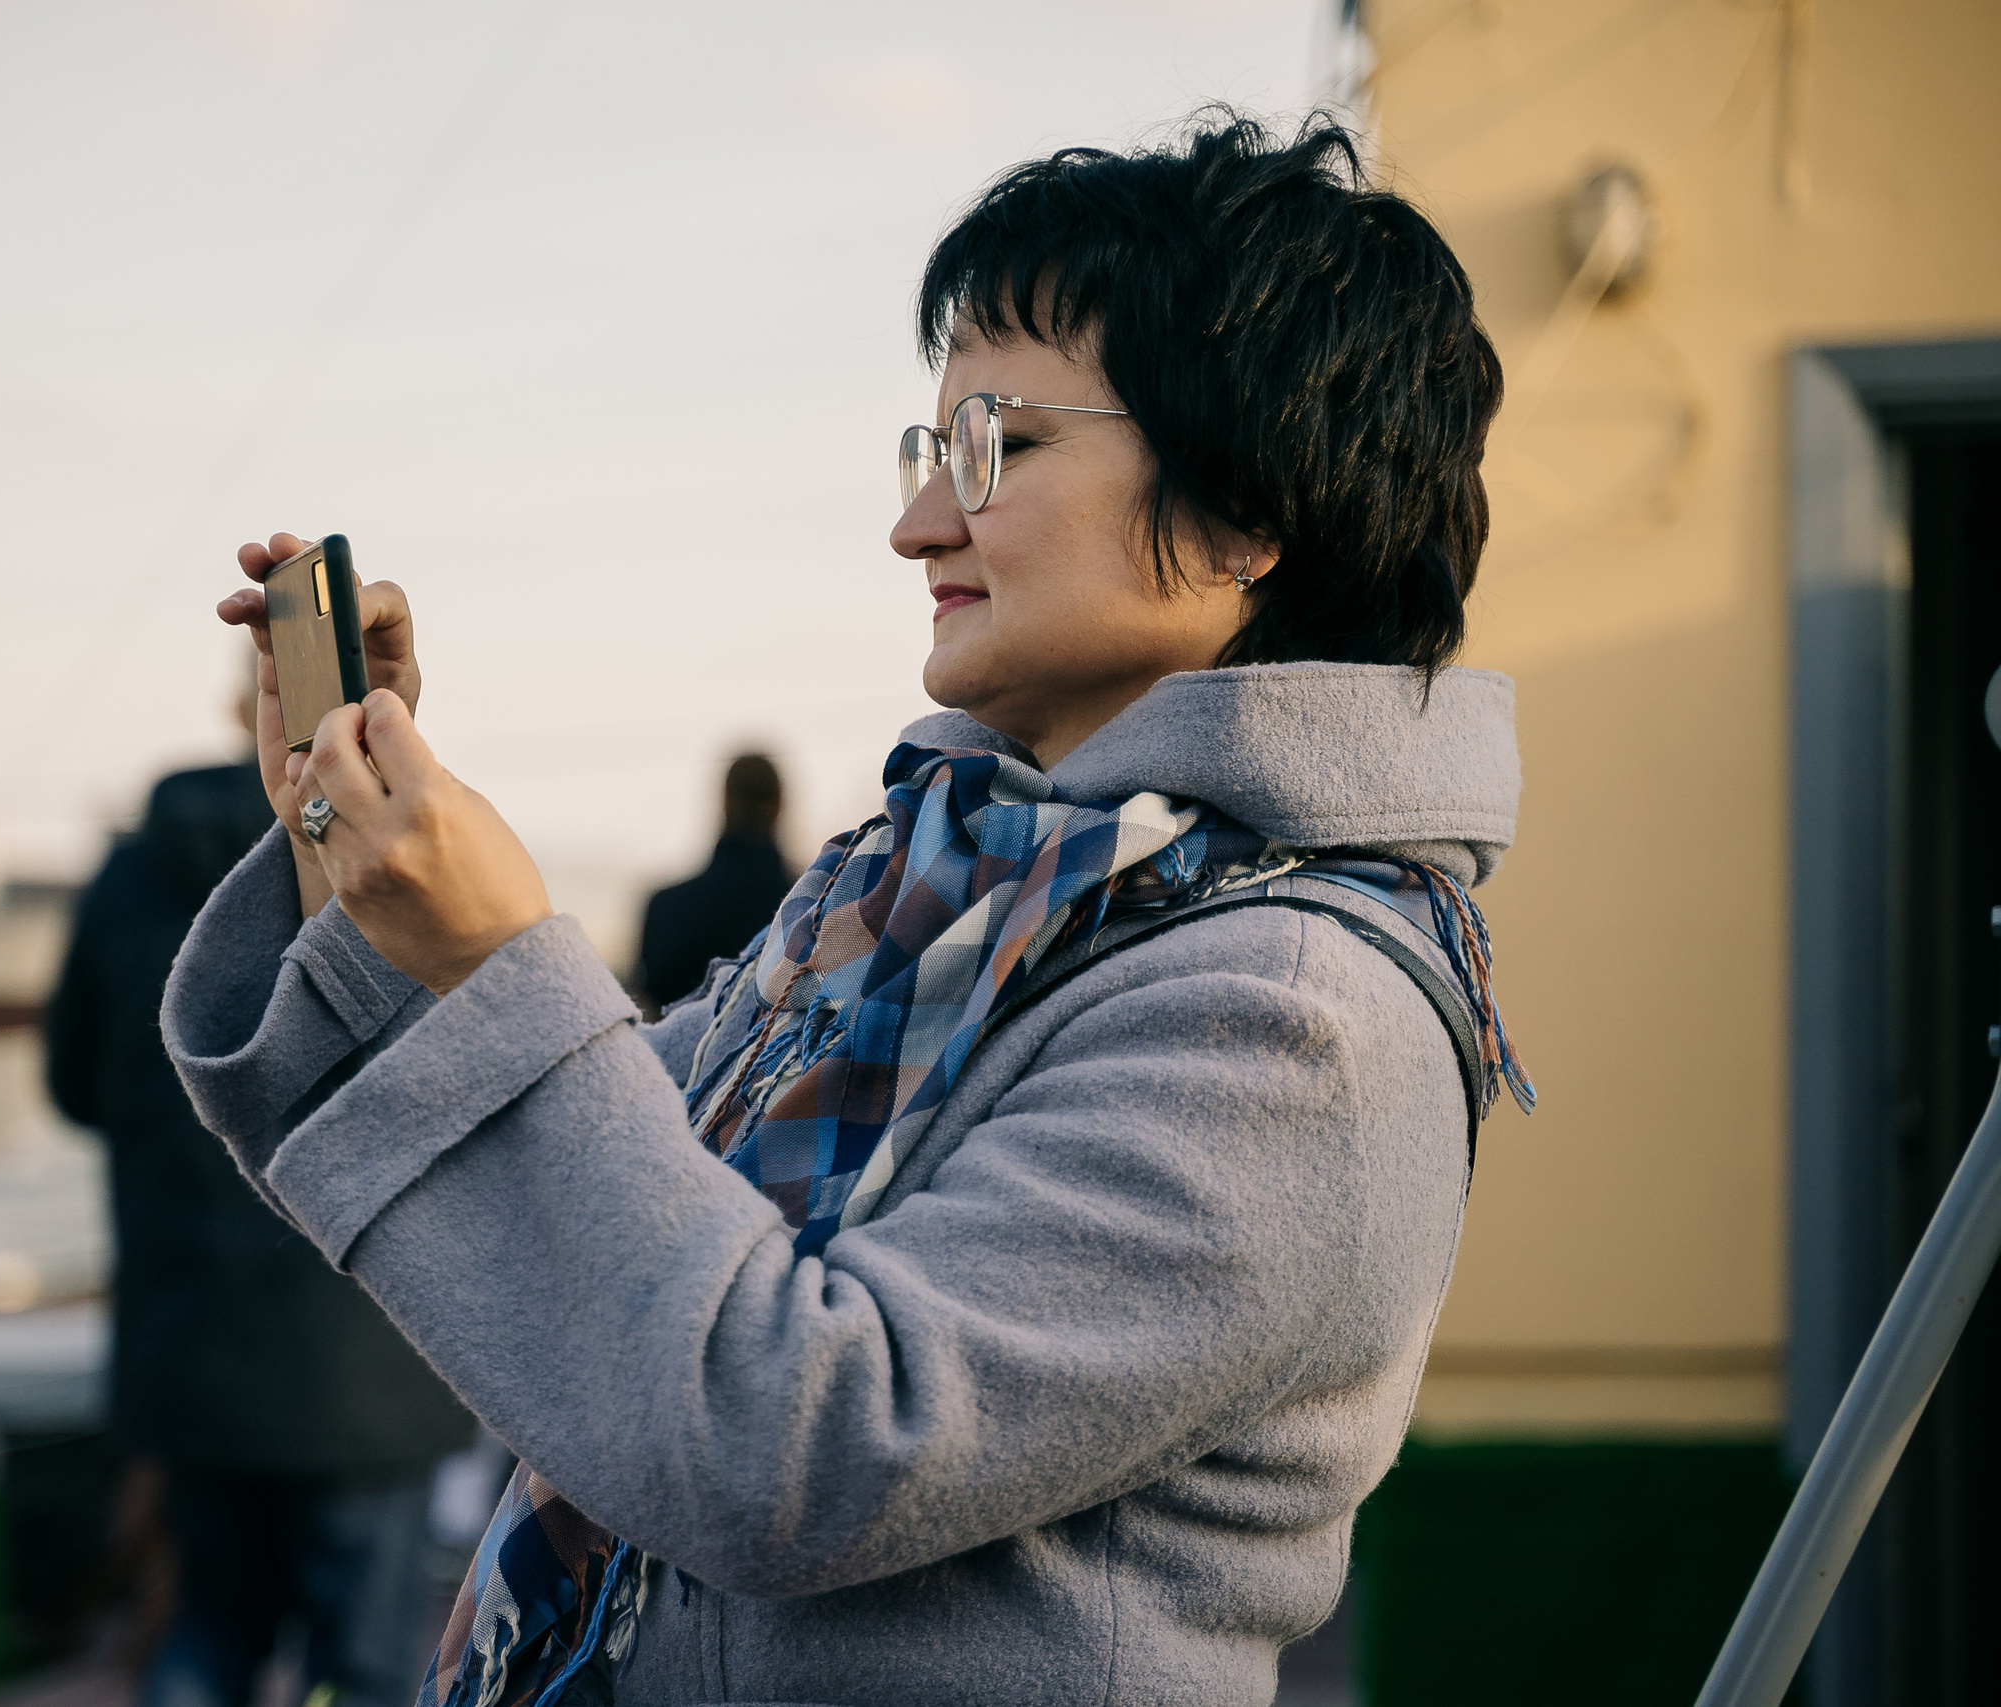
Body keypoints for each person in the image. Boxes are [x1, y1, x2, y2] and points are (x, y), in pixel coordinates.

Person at [166, 113, 1530, 1707]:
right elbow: (613, 1222)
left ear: (1245, 514)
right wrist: (361, 856)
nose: (916, 524)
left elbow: (796, 1439)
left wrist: (497, 959)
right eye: (922, 451)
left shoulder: (1298, 1014)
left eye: (995, 449)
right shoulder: (944, 877)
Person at [46, 753, 475, 1707]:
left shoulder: (129, 877)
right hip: (371, 1357)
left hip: (191, 1341)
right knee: (361, 1667)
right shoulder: (395, 851)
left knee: (205, 1631)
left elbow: (72, 1082)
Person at [632, 753, 793, 1012]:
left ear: (725, 804)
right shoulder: (817, 907)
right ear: (780, 806)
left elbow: (651, 1005)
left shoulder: (666, 908)